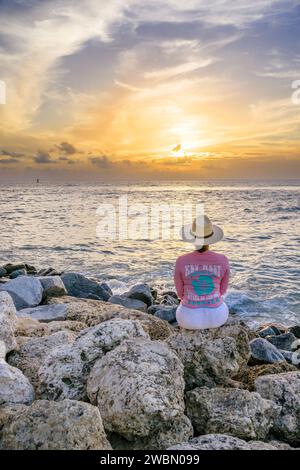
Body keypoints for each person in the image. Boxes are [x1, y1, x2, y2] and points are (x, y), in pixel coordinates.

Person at [174, 214, 230, 330]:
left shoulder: (181, 261)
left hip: (188, 319)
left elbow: (180, 294)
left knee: (181, 308)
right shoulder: (223, 260)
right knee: (222, 304)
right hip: (217, 317)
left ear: (192, 237)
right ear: (211, 238)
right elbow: (222, 291)